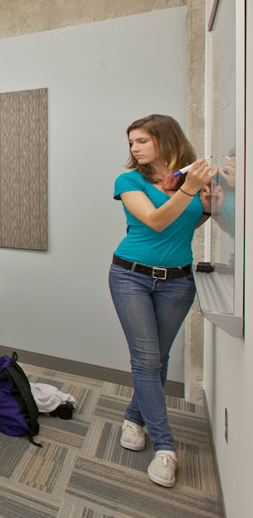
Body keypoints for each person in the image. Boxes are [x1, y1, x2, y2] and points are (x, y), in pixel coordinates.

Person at [109, 114, 217, 488]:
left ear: (165, 140)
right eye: (132, 143)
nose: (135, 148)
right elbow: (155, 221)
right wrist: (190, 190)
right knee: (147, 358)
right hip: (130, 276)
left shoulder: (187, 182)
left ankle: (133, 418)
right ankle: (166, 447)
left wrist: (205, 204)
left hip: (178, 282)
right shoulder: (128, 182)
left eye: (142, 141)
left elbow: (183, 223)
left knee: (159, 357)